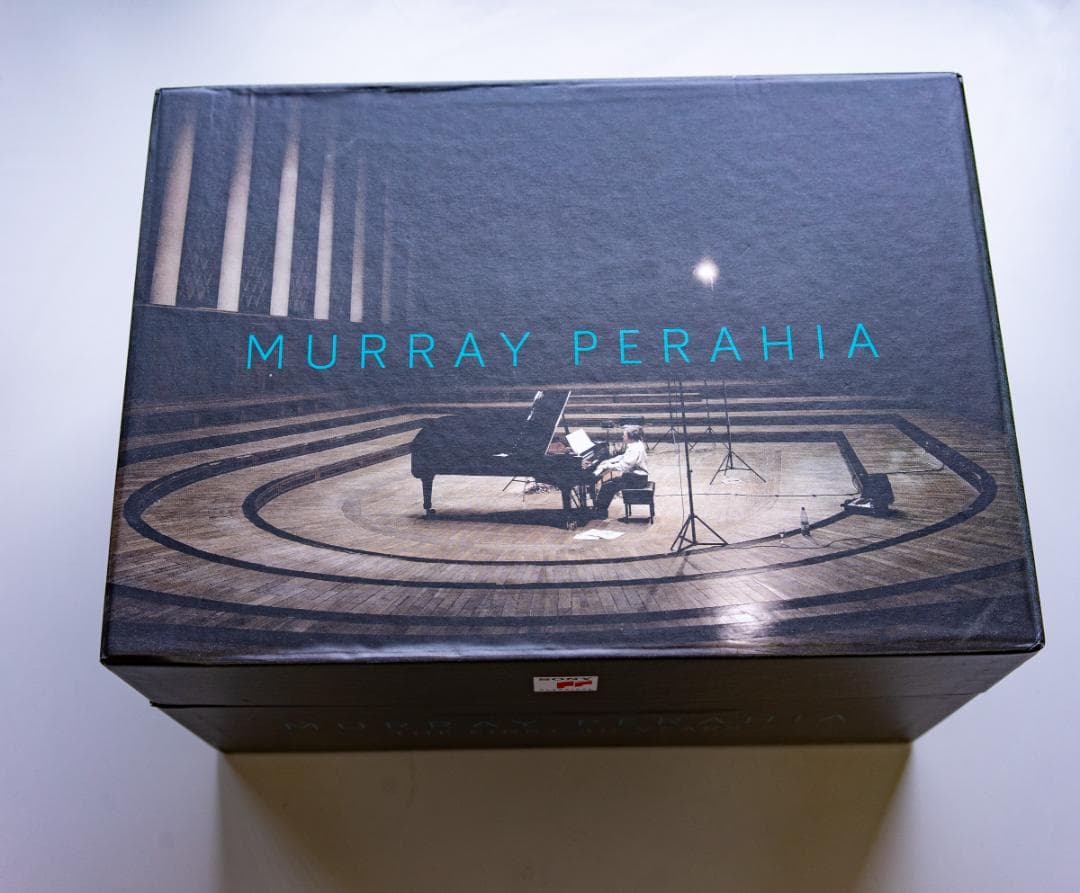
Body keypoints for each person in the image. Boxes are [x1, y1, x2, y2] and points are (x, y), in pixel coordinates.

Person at [591, 426, 650, 517]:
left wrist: (607, 466)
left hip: (637, 479)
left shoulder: (634, 449)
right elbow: (623, 457)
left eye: (624, 435)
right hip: (636, 477)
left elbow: (624, 466)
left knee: (608, 486)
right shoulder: (636, 444)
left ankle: (600, 513)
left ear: (630, 437)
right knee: (609, 484)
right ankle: (599, 509)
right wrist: (609, 461)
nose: (623, 437)